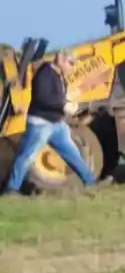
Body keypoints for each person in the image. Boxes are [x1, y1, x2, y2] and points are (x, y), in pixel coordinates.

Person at [3, 51, 98, 195]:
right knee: (26, 157)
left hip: (56, 124)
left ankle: (90, 182)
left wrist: (67, 103)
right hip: (40, 125)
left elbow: (57, 96)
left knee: (73, 154)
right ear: (60, 61)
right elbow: (43, 98)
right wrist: (63, 106)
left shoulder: (59, 76)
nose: (72, 67)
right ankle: (11, 189)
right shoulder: (44, 74)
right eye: (70, 64)